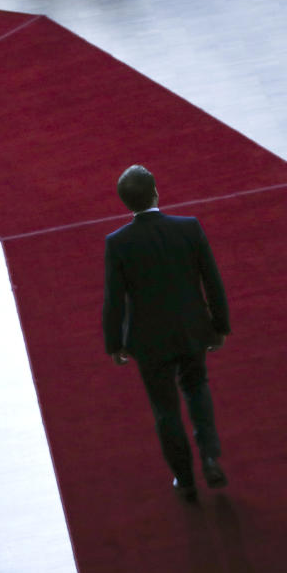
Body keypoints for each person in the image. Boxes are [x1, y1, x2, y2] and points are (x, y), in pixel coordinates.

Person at [103, 164, 231, 501]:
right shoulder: (188, 228)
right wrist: (219, 326)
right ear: (156, 191)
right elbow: (212, 282)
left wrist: (114, 343)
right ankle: (210, 457)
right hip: (192, 330)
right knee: (197, 388)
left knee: (165, 409)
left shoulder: (118, 242)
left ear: (126, 203)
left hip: (148, 340)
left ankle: (184, 478)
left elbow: (114, 299)